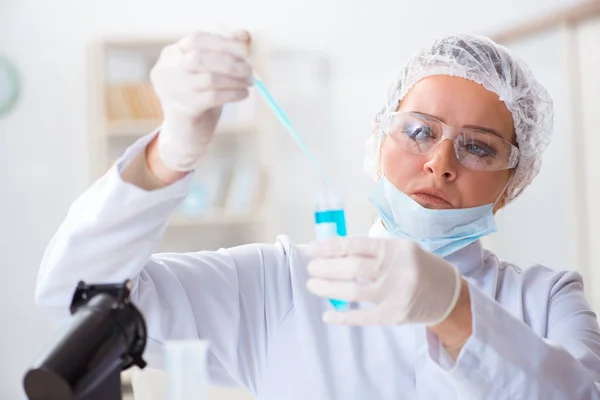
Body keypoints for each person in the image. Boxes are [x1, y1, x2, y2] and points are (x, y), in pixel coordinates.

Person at [35, 31, 600, 399]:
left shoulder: (546, 302)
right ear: (379, 142)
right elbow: (74, 294)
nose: (439, 163)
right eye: (420, 131)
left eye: (478, 147)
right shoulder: (282, 283)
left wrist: (455, 309)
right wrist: (168, 155)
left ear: (512, 183)